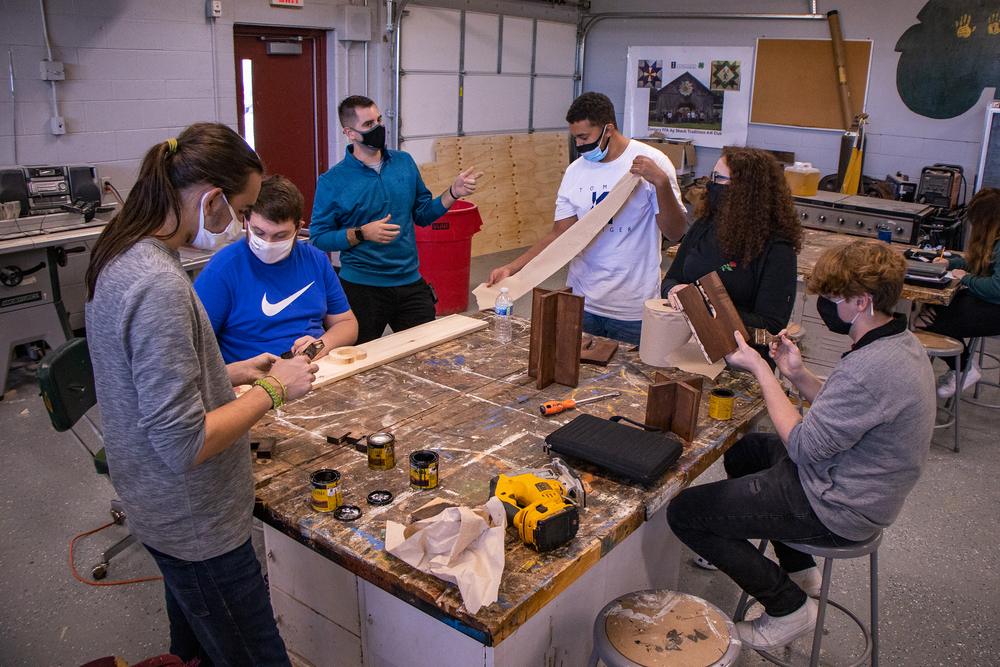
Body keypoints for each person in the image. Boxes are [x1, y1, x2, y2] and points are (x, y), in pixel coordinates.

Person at [84, 123, 318, 667]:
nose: (242, 224)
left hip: (159, 504)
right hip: (195, 521)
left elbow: (142, 379)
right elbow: (183, 442)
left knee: (194, 652)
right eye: (243, 210)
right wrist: (273, 389)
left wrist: (225, 371)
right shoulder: (159, 284)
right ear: (212, 200)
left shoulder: (123, 249)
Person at [667, 240, 935, 651]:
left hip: (838, 505)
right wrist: (796, 374)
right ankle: (799, 568)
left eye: (834, 297)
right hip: (853, 479)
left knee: (685, 513)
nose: (826, 304)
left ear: (862, 301)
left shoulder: (870, 368)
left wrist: (762, 369)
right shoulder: (899, 343)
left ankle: (787, 608)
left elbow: (803, 447)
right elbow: (847, 410)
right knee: (744, 451)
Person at [487, 92, 687, 345]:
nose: (579, 145)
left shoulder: (653, 162)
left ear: (608, 130)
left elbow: (674, 232)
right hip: (582, 301)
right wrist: (511, 268)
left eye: (584, 137)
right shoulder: (575, 171)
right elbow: (560, 234)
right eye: (575, 138)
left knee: (629, 370)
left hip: (632, 307)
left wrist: (661, 183)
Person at [310, 95, 484, 344]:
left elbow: (423, 215)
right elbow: (319, 237)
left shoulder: (404, 163)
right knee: (361, 359)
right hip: (361, 287)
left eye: (379, 120)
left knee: (426, 353)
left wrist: (453, 193)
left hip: (409, 281)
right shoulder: (332, 181)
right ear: (349, 132)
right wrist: (362, 233)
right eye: (369, 124)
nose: (378, 128)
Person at [194, 174, 358, 363]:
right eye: (259, 232)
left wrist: (319, 346)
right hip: (255, 376)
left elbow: (347, 324)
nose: (268, 243)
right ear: (246, 221)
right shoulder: (222, 271)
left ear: (298, 229)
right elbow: (192, 348)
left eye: (280, 236)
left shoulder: (316, 260)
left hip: (313, 369)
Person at [661, 146, 802, 363]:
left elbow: (770, 325)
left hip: (743, 361)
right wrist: (672, 291)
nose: (711, 184)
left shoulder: (777, 249)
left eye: (718, 178)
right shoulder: (705, 225)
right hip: (688, 349)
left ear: (745, 189)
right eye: (712, 176)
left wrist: (703, 305)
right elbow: (671, 278)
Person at [915, 186, 1000, 397]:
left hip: (995, 308)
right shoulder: (993, 241)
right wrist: (949, 263)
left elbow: (996, 287)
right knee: (931, 306)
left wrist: (965, 278)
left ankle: (964, 368)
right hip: (985, 300)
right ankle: (962, 366)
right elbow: (975, 262)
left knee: (927, 321)